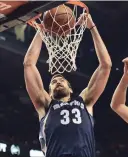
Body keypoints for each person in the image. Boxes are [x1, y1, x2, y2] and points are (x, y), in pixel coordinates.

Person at [23, 13, 112, 157]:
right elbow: (28, 65)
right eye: (53, 82)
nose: (57, 81)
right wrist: (41, 31)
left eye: (61, 80)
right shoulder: (45, 105)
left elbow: (106, 65)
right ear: (49, 92)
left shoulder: (85, 101)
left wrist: (92, 28)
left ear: (70, 89)